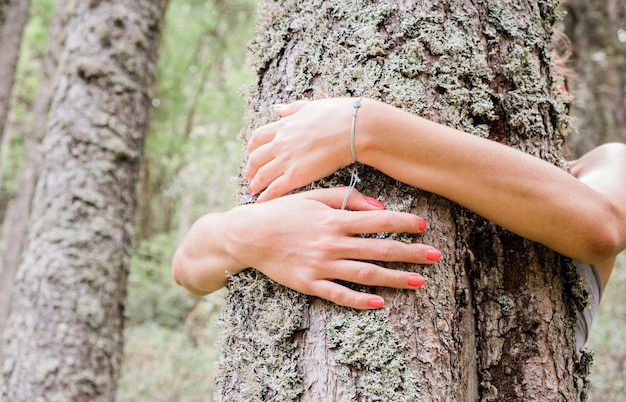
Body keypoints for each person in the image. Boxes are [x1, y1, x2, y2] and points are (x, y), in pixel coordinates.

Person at [172, 97, 626, 347]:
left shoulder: (599, 168)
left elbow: (600, 228)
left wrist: (366, 128)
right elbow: (188, 268)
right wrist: (244, 234)